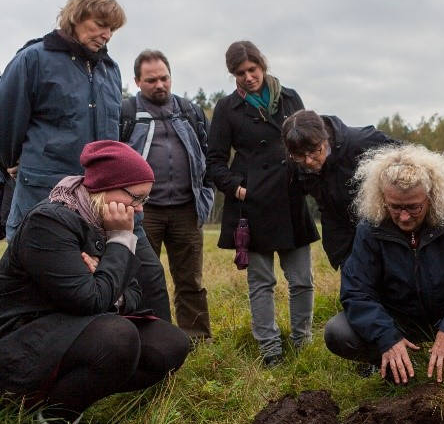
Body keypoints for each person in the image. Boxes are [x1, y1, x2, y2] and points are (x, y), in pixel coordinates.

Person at [0, 0, 171, 322]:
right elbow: (6, 124)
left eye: (112, 29)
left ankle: (158, 357)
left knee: (147, 277)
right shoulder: (33, 59)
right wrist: (15, 162)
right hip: (45, 201)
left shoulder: (111, 69)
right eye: (99, 24)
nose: (106, 34)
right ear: (76, 17)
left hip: (110, 201)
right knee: (47, 293)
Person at [0, 141, 190, 424]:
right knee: (117, 338)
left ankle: (65, 392)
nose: (140, 209)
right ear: (108, 188)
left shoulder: (102, 220)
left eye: (145, 199)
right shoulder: (49, 222)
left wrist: (105, 279)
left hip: (73, 327)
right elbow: (90, 301)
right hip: (23, 336)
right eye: (136, 197)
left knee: (171, 343)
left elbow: (134, 291)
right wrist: (118, 244)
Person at [324, 143, 444, 384]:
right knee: (337, 332)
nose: (404, 216)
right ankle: (398, 370)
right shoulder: (369, 230)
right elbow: (356, 292)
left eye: (414, 207)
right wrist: (387, 337)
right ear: (383, 198)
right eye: (395, 207)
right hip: (397, 321)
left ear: (431, 196)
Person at [207, 41, 319, 366]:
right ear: (233, 75)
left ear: (263, 66)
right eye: (240, 73)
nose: (248, 77)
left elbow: (307, 142)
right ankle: (270, 351)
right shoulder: (227, 108)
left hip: (290, 197)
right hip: (252, 205)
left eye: (252, 70)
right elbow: (213, 162)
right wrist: (239, 190)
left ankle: (302, 343)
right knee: (261, 282)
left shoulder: (290, 98)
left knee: (301, 279)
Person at [122, 49, 215, 341]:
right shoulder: (125, 114)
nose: (159, 84)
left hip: (186, 210)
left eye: (164, 78)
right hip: (142, 212)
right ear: (137, 81)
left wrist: (207, 193)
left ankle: (196, 337)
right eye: (151, 80)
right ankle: (151, 338)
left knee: (191, 280)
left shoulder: (190, 112)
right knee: (141, 277)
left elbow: (208, 155)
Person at [282, 109, 396, 270]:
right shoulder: (295, 162)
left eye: (314, 152)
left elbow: (410, 161)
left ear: (324, 138)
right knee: (354, 290)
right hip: (343, 241)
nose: (308, 161)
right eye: (300, 155)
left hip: (383, 232)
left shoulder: (363, 142)